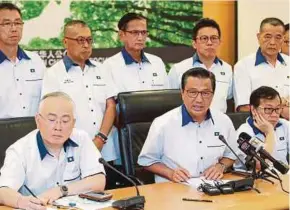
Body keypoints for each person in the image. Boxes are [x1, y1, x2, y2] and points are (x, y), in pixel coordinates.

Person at [0, 92, 106, 209]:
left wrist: (61, 191)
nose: (58, 127)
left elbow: (99, 180)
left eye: (65, 121)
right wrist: (21, 201)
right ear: (38, 120)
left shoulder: (82, 139)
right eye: (51, 119)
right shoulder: (19, 150)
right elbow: (3, 191)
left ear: (73, 123)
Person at [138, 68, 237, 183]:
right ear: (182, 93)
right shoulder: (163, 124)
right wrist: (170, 173)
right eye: (192, 92)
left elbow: (231, 155)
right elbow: (146, 161)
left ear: (212, 95)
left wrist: (221, 166)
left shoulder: (223, 121)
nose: (199, 100)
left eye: (205, 93)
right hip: (173, 190)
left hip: (212, 187)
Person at [41, 20, 118, 163]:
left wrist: (100, 138)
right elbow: (51, 115)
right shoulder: (53, 74)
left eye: (89, 40)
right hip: (70, 149)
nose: (86, 45)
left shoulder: (102, 69)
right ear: (65, 42)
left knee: (109, 184)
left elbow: (111, 106)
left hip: (104, 148)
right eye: (80, 40)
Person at [168, 18, 233, 113]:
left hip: (218, 125)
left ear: (219, 42)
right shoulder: (178, 69)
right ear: (194, 43)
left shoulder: (227, 69)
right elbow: (170, 103)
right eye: (204, 38)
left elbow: (229, 99)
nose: (210, 43)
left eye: (214, 38)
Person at [102, 12, 169, 93]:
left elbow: (166, 98)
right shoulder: (110, 66)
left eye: (143, 32)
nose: (140, 38)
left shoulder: (157, 62)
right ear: (121, 35)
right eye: (135, 32)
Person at [0, 2, 46, 118]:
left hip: (34, 132)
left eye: (18, 23)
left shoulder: (36, 62)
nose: (14, 28)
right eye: (7, 24)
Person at [234, 17, 289, 112]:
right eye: (267, 36)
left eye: (278, 37)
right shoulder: (243, 66)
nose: (272, 42)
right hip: (258, 125)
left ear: (283, 39)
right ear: (258, 37)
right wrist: (280, 110)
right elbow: (244, 107)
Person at [236, 86, 289, 167]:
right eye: (268, 109)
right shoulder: (244, 133)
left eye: (278, 108)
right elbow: (261, 165)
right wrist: (269, 132)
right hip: (256, 178)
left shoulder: (284, 125)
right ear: (254, 110)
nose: (275, 115)